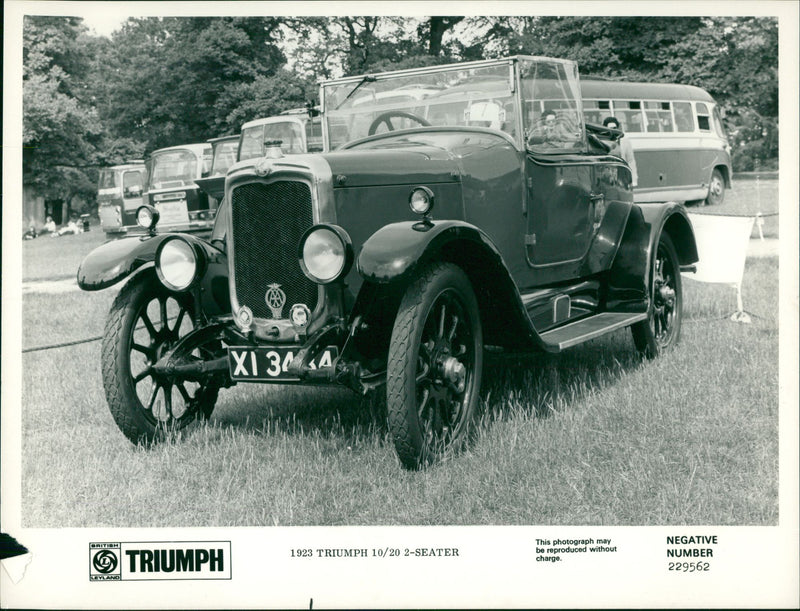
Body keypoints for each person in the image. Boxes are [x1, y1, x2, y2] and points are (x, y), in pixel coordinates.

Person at [603, 116, 638, 187]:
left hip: (622, 176)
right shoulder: (603, 142)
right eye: (610, 128)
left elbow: (631, 161)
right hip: (608, 177)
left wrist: (634, 179)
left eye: (615, 128)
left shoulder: (625, 141)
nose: (613, 130)